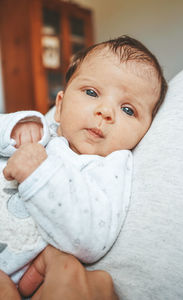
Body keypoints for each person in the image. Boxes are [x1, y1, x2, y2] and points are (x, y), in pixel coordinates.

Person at [0, 35, 167, 286]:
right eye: (91, 92)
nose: (106, 112)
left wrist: (37, 174)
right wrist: (14, 128)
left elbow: (90, 239)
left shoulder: (110, 168)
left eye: (128, 109)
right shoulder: (43, 129)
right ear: (60, 105)